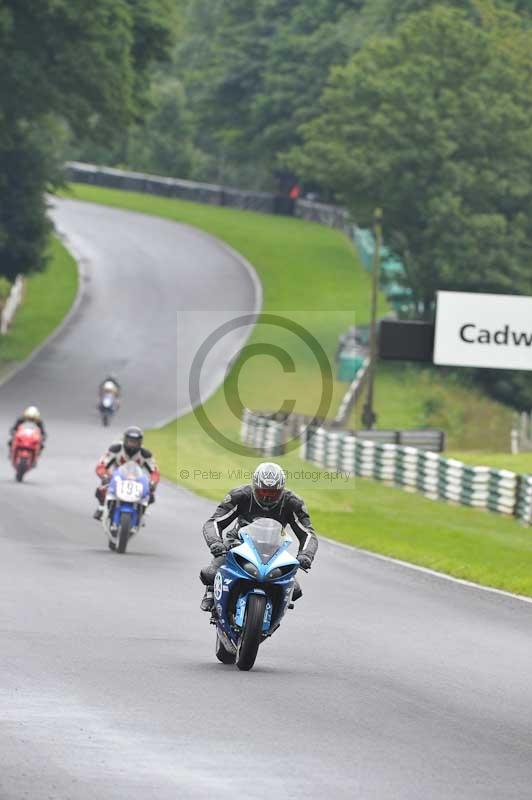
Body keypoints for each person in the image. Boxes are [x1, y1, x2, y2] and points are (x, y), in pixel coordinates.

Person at [199, 462, 318, 612]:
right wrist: (215, 543)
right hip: (238, 542)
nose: (267, 496)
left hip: (274, 548)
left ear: (281, 490)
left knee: (295, 590)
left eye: (273, 493)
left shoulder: (292, 502)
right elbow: (214, 522)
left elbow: (307, 533)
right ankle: (211, 591)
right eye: (263, 491)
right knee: (211, 572)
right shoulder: (240, 495)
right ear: (255, 486)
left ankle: (277, 608)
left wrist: (306, 555)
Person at [93, 426, 160, 520]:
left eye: (135, 442)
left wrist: (153, 482)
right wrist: (104, 475)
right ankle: (101, 507)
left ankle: (141, 512)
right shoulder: (115, 449)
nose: (132, 444)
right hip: (117, 476)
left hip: (136, 479)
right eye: (130, 441)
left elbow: (155, 471)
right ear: (125, 440)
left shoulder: (146, 454)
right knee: (102, 488)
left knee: (151, 494)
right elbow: (102, 465)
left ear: (140, 442)